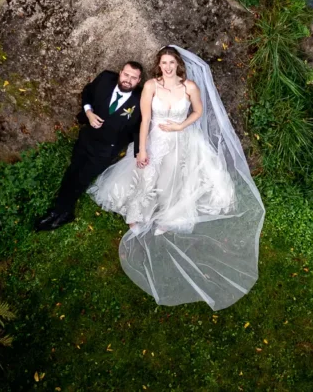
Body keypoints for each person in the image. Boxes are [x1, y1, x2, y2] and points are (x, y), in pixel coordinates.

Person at [88, 46, 265, 310]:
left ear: (177, 64)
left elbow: (198, 111)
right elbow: (145, 118)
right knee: (147, 176)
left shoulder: (189, 86)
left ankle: (168, 218)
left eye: (171, 62)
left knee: (172, 179)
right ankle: (137, 215)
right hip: (156, 139)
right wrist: (142, 149)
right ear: (158, 65)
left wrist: (181, 125)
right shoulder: (150, 85)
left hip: (182, 141)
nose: (168, 66)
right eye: (163, 62)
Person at [34, 61, 144, 232]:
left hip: (105, 150)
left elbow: (139, 130)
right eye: (126, 75)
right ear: (120, 72)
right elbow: (87, 92)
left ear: (139, 81)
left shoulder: (141, 100)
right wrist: (88, 112)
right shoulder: (106, 78)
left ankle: (61, 213)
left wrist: (139, 152)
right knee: (72, 171)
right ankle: (60, 210)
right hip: (86, 139)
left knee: (81, 179)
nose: (128, 80)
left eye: (133, 78)